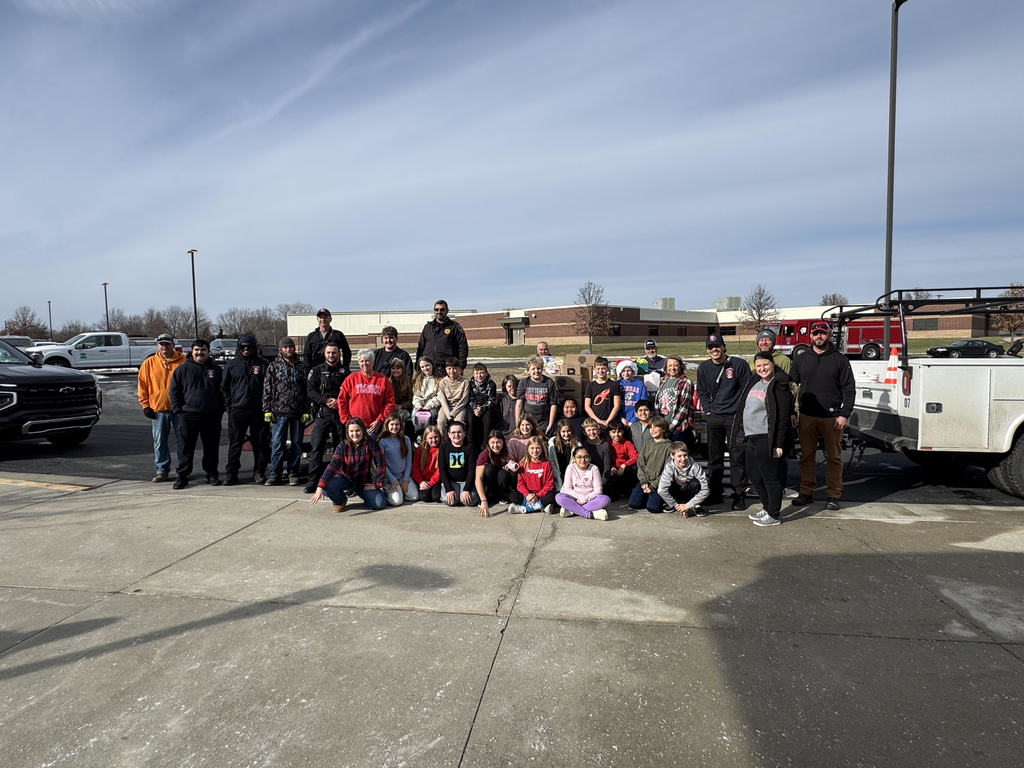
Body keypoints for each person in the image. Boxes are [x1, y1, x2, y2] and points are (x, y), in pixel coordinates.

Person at [790, 320, 856, 511]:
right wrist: (792, 412)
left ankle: (833, 495)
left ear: (829, 335)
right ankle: (806, 491)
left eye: (822, 333)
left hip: (832, 417)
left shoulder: (840, 360)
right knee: (806, 456)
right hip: (806, 416)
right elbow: (792, 387)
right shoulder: (801, 358)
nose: (819, 336)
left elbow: (849, 389)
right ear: (810, 336)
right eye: (815, 333)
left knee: (834, 457)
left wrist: (844, 414)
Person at [734, 352, 793, 526]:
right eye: (758, 366)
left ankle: (774, 515)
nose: (762, 369)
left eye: (765, 365)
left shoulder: (779, 385)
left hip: (766, 437)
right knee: (755, 475)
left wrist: (778, 443)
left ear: (773, 364)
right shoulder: (755, 382)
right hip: (750, 436)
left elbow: (782, 417)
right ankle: (767, 507)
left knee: (770, 477)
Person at [696, 334, 751, 510]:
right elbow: (702, 391)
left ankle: (739, 494)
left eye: (717, 346)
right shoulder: (703, 367)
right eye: (711, 347)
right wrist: (708, 409)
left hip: (734, 417)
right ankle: (715, 492)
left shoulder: (738, 364)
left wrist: (740, 411)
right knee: (714, 457)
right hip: (715, 417)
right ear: (707, 350)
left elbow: (746, 389)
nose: (714, 350)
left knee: (737, 456)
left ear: (724, 347)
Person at [168, 339, 225, 489]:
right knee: (186, 448)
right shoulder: (182, 369)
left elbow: (223, 392)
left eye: (203, 350)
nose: (200, 353)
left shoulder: (217, 370)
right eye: (197, 350)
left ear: (208, 351)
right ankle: (183, 476)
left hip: (211, 416)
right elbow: (174, 391)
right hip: (188, 416)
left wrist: (220, 409)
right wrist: (178, 410)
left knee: (211, 447)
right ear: (192, 352)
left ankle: (212, 473)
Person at [221, 335, 270, 485]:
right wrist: (229, 406)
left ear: (254, 347)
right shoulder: (232, 364)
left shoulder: (263, 364)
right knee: (236, 443)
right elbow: (224, 388)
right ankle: (232, 473)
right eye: (243, 347)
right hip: (238, 410)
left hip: (258, 410)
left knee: (260, 443)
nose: (246, 349)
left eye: (249, 347)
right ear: (239, 348)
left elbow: (269, 387)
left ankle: (259, 472)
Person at [308, 417, 386, 512]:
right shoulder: (343, 446)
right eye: (351, 431)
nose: (355, 434)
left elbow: (380, 464)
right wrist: (320, 487)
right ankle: (340, 501)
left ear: (363, 430)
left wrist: (377, 484)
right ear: (347, 432)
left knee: (380, 504)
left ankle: (367, 497)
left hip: (362, 482)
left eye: (358, 430)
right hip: (345, 479)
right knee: (327, 486)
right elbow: (332, 467)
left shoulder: (370, 443)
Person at [137, 332, 186, 482]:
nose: (164, 347)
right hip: (158, 409)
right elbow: (142, 386)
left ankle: (183, 469)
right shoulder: (149, 363)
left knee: (182, 441)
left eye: (167, 344)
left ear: (173, 345)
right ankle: (162, 470)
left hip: (180, 409)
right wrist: (145, 405)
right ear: (157, 345)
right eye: (161, 344)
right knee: (159, 441)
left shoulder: (184, 361)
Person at [262, 337, 310, 486]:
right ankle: (274, 474)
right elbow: (267, 387)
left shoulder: (302, 367)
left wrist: (307, 410)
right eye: (285, 347)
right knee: (278, 444)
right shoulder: (273, 366)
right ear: (281, 349)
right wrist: (267, 408)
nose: (288, 350)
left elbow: (307, 389)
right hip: (278, 411)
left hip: (297, 412)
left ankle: (293, 473)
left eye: (290, 347)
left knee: (296, 444)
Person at [303, 341, 347, 493]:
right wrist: (325, 400)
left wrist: (338, 401)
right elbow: (310, 391)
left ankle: (341, 481)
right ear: (324, 353)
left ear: (338, 354)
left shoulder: (345, 372)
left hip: (340, 413)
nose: (331, 355)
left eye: (334, 352)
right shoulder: (316, 371)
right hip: (323, 413)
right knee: (317, 447)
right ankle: (313, 481)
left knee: (341, 448)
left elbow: (350, 392)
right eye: (329, 352)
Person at [337, 348, 395, 438]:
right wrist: (347, 421)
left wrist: (379, 420)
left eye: (367, 361)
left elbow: (389, 402)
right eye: (361, 361)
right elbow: (342, 401)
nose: (364, 363)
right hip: (354, 427)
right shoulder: (351, 379)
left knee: (371, 451)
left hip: (373, 427)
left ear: (373, 362)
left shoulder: (382, 380)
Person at [628, 416, 673, 512]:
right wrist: (643, 481)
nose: (652, 430)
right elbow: (640, 464)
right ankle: (649, 497)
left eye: (655, 427)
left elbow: (667, 471)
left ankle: (663, 499)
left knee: (653, 508)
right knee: (633, 504)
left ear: (663, 429)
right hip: (646, 481)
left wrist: (653, 486)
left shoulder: (669, 446)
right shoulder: (647, 444)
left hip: (659, 483)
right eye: (650, 427)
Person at [555, 447, 611, 520]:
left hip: (591, 499)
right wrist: (580, 497)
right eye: (579, 457)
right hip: (575, 499)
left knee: (606, 499)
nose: (583, 460)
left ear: (590, 458)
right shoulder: (570, 468)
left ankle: (572, 510)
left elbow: (598, 491)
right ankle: (589, 514)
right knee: (559, 497)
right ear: (574, 459)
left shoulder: (594, 468)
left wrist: (585, 499)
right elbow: (567, 489)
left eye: (586, 457)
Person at [657, 442, 710, 517]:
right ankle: (673, 505)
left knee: (696, 483)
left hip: (690, 493)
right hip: (676, 493)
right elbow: (661, 490)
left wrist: (688, 505)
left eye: (685, 455)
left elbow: (706, 490)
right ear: (672, 455)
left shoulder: (695, 467)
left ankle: (697, 505)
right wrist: (676, 506)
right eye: (679, 456)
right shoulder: (669, 467)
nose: (683, 459)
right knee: (666, 483)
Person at [474, 430, 518, 517]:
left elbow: (515, 466)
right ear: (488, 443)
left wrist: (510, 466)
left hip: (500, 484)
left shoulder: (506, 452)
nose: (495, 445)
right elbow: (478, 478)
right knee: (489, 468)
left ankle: (503, 495)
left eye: (498, 442)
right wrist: (483, 500)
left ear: (503, 442)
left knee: (504, 472)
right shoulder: (484, 455)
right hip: (489, 484)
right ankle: (488, 495)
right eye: (492, 442)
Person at [656, 356, 696, 451]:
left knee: (679, 455)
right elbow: (658, 404)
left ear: (680, 367)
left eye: (675, 365)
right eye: (669, 365)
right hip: (664, 427)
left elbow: (684, 408)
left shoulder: (686, 382)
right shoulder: (663, 382)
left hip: (679, 428)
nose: (672, 368)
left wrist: (671, 426)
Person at [509, 436, 556, 514]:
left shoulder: (547, 464)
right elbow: (520, 484)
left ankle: (524, 509)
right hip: (528, 496)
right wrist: (527, 495)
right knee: (512, 496)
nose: (535, 451)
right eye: (532, 448)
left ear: (541, 449)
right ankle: (541, 506)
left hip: (541, 495)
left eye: (537, 448)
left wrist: (537, 496)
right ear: (528, 449)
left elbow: (549, 484)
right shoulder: (523, 464)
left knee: (553, 495)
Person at [416, 299, 468, 369]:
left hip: (447, 368)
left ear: (447, 311)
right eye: (436, 310)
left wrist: (461, 366)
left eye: (442, 309)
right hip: (429, 368)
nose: (439, 312)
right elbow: (420, 347)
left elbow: (463, 347)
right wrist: (417, 364)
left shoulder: (454, 327)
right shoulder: (427, 327)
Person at [515, 356, 558, 436]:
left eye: (538, 368)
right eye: (533, 369)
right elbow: (519, 404)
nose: (536, 371)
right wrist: (518, 423)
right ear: (528, 371)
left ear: (542, 369)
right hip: (528, 423)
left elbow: (553, 404)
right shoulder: (523, 382)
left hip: (543, 423)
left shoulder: (549, 382)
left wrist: (550, 424)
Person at [380, 413, 418, 505]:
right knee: (397, 502)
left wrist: (406, 479)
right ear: (387, 425)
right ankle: (387, 491)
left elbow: (409, 462)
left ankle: (400, 490)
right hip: (390, 478)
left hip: (402, 476)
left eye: (397, 424)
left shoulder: (406, 439)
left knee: (414, 497)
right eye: (392, 424)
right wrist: (392, 480)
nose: (394, 427)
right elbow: (382, 464)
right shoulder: (382, 441)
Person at [438, 420, 478, 507]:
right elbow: (442, 469)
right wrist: (448, 489)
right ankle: (456, 495)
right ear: (449, 434)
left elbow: (472, 469)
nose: (456, 435)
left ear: (464, 433)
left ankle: (460, 495)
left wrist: (467, 489)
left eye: (459, 432)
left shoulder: (470, 447)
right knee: (449, 501)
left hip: (465, 481)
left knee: (470, 501)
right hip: (451, 481)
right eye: (453, 432)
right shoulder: (444, 447)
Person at [305, 308, 351, 372]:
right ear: (317, 319)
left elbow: (347, 352)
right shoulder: (311, 336)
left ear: (330, 319)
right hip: (317, 371)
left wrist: (345, 367)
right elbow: (307, 355)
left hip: (335, 370)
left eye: (325, 317)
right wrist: (309, 370)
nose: (323, 320)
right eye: (320, 317)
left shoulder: (338, 335)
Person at [584, 356, 622, 432]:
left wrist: (607, 421)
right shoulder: (590, 385)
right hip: (595, 422)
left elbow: (617, 405)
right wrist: (598, 421)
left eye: (603, 368)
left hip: (610, 422)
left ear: (607, 369)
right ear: (594, 369)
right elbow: (587, 406)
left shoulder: (614, 384)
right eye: (598, 368)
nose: (601, 371)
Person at [467, 362, 497, 456]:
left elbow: (491, 400)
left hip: (486, 408)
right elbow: (470, 398)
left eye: (481, 373)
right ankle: (471, 446)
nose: (479, 375)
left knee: (488, 420)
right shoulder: (470, 383)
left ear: (486, 373)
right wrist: (475, 408)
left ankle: (485, 446)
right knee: (471, 419)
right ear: (473, 374)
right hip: (473, 408)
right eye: (477, 373)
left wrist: (482, 409)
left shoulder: (491, 384)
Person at [437, 357, 470, 436]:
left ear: (459, 369)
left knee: (459, 422)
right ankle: (444, 442)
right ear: (446, 369)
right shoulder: (443, 382)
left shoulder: (465, 382)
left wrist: (453, 414)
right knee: (441, 423)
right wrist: (448, 415)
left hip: (459, 407)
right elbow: (443, 400)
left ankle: (459, 441)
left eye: (454, 368)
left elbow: (464, 400)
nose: (451, 371)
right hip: (446, 407)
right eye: (449, 368)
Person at [606, 422, 638, 500]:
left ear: (623, 432)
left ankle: (629, 490)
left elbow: (635, 456)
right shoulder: (607, 444)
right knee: (612, 497)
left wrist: (624, 465)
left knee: (635, 468)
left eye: (619, 431)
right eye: (613, 432)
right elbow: (606, 458)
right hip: (613, 469)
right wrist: (611, 467)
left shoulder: (627, 443)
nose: (616, 434)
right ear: (609, 433)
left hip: (625, 470)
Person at [412, 425, 443, 502]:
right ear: (426, 439)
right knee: (424, 497)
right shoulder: (421, 449)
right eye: (430, 438)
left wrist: (431, 483)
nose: (434, 440)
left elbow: (440, 470)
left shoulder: (442, 449)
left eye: (436, 437)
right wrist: (420, 482)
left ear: (439, 436)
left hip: (436, 480)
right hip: (423, 480)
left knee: (436, 497)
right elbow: (415, 467)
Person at [411, 358, 442, 435]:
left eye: (427, 365)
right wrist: (417, 404)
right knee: (415, 415)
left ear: (432, 365)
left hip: (433, 405)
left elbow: (439, 396)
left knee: (428, 417)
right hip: (420, 404)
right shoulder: (418, 379)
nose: (425, 368)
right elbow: (416, 395)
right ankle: (419, 434)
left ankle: (430, 435)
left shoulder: (439, 380)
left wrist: (429, 405)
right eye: (422, 367)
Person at [547, 419, 577, 490]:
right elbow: (551, 461)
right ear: (559, 432)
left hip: (570, 477)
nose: (566, 434)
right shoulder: (552, 443)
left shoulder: (577, 445)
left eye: (568, 431)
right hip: (556, 475)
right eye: (563, 431)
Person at [617, 360, 648, 425]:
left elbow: (643, 403)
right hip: (620, 418)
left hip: (636, 418)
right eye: (623, 371)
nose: (626, 373)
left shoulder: (640, 384)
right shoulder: (617, 384)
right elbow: (614, 404)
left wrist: (634, 419)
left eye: (628, 370)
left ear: (633, 371)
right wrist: (621, 418)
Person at [581, 417, 611, 482]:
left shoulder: (605, 445)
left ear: (598, 430)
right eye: (589, 430)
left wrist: (603, 482)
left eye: (594, 429)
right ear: (585, 432)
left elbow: (607, 467)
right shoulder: (583, 446)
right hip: (586, 480)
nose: (592, 432)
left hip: (601, 478)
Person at [388, 357, 414, 425]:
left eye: (398, 368)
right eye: (393, 368)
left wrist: (402, 406)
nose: (395, 370)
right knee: (388, 416)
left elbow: (412, 400)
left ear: (402, 369)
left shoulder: (409, 381)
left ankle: (400, 434)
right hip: (392, 407)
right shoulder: (388, 382)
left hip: (406, 408)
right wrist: (393, 405)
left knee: (399, 417)